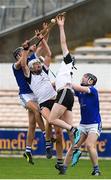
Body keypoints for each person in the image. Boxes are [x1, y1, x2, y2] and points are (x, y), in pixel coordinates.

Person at [21, 33, 64, 169]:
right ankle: (47, 144)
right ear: (32, 68)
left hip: (55, 100)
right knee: (50, 120)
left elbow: (49, 54)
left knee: (58, 131)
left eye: (39, 65)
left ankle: (59, 160)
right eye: (36, 66)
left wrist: (43, 40)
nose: (39, 66)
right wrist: (26, 50)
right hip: (44, 103)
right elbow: (23, 63)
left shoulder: (45, 71)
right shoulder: (29, 76)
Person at [48, 15, 80, 174]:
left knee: (52, 119)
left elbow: (63, 43)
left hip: (65, 93)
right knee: (69, 133)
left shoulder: (67, 61)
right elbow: (53, 84)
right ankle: (74, 153)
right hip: (69, 96)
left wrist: (61, 27)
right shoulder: (65, 71)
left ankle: (73, 130)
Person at [12, 46, 46, 165]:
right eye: (21, 52)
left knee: (32, 124)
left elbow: (42, 47)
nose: (24, 53)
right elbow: (22, 63)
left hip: (34, 94)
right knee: (37, 110)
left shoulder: (29, 58)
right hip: (25, 95)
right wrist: (29, 50)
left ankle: (27, 150)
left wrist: (43, 35)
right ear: (18, 55)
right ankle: (45, 134)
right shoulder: (16, 65)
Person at [63, 73, 101, 176]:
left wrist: (69, 82)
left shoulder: (92, 90)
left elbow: (76, 87)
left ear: (90, 81)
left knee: (89, 145)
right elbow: (69, 89)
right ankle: (64, 168)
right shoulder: (80, 92)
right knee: (74, 146)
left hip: (94, 123)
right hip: (83, 124)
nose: (82, 79)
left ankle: (96, 169)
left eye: (84, 78)